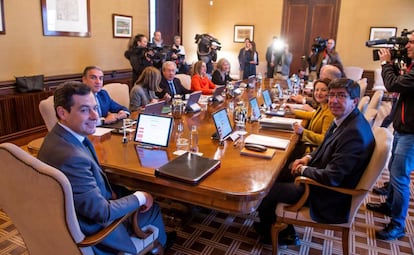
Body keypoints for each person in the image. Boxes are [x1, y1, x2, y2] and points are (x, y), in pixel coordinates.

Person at [37, 81, 175, 254]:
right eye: (85, 110)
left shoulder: (55, 139)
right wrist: (141, 196)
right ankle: (158, 243)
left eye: (95, 107)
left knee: (127, 190)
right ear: (62, 112)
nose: (96, 116)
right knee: (152, 205)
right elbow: (102, 212)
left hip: (75, 209)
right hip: (96, 229)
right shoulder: (71, 158)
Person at [255, 78, 375, 245]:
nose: (333, 100)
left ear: (354, 101)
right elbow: (325, 144)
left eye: (341, 96)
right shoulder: (345, 119)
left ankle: (280, 235)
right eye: (332, 95)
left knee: (267, 189)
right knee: (277, 173)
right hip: (321, 176)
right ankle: (269, 223)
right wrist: (307, 158)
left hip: (326, 193)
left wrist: (303, 170)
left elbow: (332, 177)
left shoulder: (354, 134)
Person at [366, 33, 414, 241]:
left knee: (400, 176)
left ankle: (398, 224)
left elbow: (393, 85)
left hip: (412, 132)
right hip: (404, 127)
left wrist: (386, 63)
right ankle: (389, 205)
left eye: (412, 42)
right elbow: (398, 82)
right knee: (395, 170)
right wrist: (393, 64)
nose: (408, 46)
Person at [278, 78, 334, 182]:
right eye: (317, 90)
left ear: (330, 92)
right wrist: (293, 111)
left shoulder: (329, 112)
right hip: (309, 146)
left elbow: (324, 140)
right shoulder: (323, 107)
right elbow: (312, 115)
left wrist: (304, 132)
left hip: (313, 151)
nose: (319, 93)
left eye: (323, 90)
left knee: (285, 151)